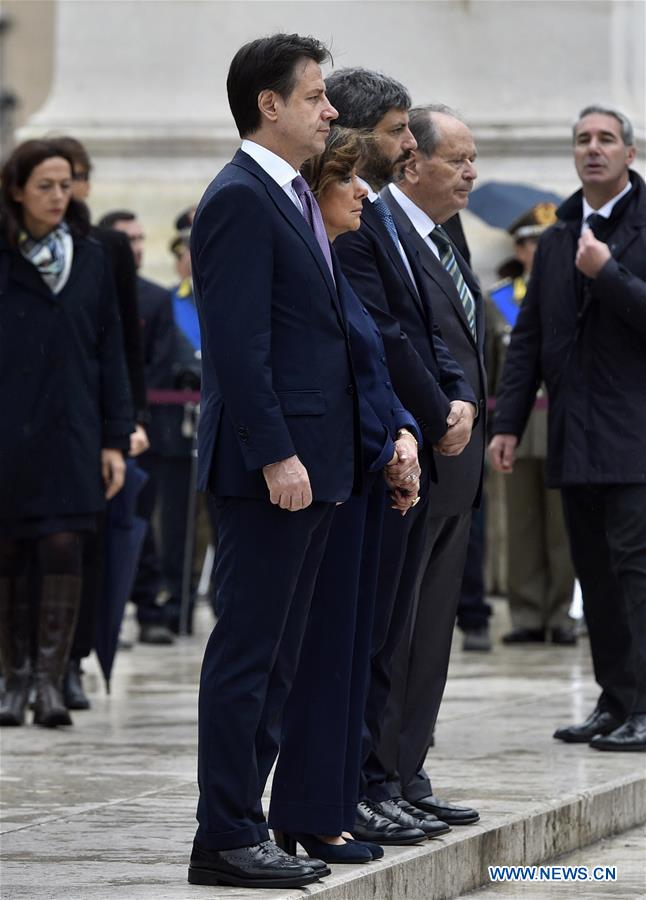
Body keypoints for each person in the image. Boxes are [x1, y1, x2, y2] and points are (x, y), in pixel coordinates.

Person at [187, 34, 359, 889]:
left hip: (313, 466)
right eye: (318, 96)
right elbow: (238, 347)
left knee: (282, 659)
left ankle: (240, 824)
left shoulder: (288, 195)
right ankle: (222, 832)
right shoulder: (240, 198)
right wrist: (279, 456)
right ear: (271, 105)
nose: (331, 111)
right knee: (249, 654)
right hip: (271, 472)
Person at [326, 70, 479, 841]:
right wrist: (428, 413)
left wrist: (457, 401)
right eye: (397, 131)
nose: (409, 142)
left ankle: (392, 773)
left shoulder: (391, 217)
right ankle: (363, 779)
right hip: (385, 446)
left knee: (413, 631)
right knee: (380, 632)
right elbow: (385, 334)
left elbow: (439, 333)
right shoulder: (355, 216)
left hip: (434, 442)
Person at [268, 127, 428, 863]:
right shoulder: (317, 270)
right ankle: (311, 811)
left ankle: (327, 808)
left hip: (362, 478)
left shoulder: (336, 270)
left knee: (348, 651)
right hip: (331, 480)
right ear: (315, 193)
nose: (365, 192)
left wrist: (400, 432)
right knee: (325, 655)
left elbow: (373, 375)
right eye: (349, 182)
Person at [489, 105, 646, 752]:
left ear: (631, 153)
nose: (593, 149)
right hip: (575, 437)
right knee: (596, 575)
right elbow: (528, 339)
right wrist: (508, 422)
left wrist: (606, 273)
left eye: (606, 139)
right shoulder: (555, 237)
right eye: (583, 140)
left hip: (636, 436)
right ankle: (615, 701)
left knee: (636, 573)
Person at [375, 103, 486, 816]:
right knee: (398, 632)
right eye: (459, 159)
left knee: (433, 629)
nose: (472, 173)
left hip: (459, 464)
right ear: (411, 163)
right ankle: (380, 775)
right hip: (415, 460)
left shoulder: (448, 237)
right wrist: (440, 413)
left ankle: (410, 772)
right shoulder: (384, 232)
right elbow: (396, 341)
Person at [0, 139, 132, 727]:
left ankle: (53, 681)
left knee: (63, 545)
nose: (59, 196)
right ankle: (13, 678)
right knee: (7, 551)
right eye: (45, 185)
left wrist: (116, 438)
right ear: (16, 191)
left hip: (73, 430)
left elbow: (113, 352)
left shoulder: (93, 255)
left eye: (66, 184)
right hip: (9, 432)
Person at [53, 137, 149, 707]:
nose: (70, 190)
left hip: (88, 421)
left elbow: (122, 346)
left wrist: (127, 421)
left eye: (76, 178)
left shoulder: (105, 247)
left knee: (85, 546)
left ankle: (71, 660)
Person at [99, 208, 194, 645]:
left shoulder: (154, 299)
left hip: (144, 429)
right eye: (127, 240)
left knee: (144, 522)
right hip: (91, 426)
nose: (136, 248)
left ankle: (149, 603)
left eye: (140, 240)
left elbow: (155, 367)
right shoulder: (91, 292)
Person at [487, 203, 576, 645]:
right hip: (518, 426)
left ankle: (562, 614)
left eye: (547, 243)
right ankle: (526, 612)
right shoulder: (501, 300)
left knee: (564, 528)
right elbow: (491, 368)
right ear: (519, 248)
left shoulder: (570, 291)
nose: (539, 251)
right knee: (521, 524)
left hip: (561, 423)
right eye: (532, 243)